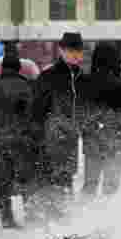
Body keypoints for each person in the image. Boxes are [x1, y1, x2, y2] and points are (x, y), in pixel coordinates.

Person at [30, 32, 89, 222]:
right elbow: (36, 110)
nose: (76, 55)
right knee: (50, 181)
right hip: (50, 140)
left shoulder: (82, 79)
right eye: (71, 50)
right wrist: (39, 136)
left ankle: (63, 222)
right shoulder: (48, 77)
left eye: (78, 51)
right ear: (61, 51)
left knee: (66, 180)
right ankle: (51, 223)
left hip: (70, 141)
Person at [0, 53, 34, 228]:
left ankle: (6, 217)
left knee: (4, 178)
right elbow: (33, 113)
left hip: (2, 139)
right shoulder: (27, 87)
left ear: (3, 67)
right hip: (23, 139)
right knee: (26, 178)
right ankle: (31, 215)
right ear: (18, 68)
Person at [81, 43, 121, 199]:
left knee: (90, 184)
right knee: (111, 186)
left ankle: (83, 211)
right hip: (115, 141)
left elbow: (82, 112)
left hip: (93, 140)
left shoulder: (87, 83)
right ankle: (107, 211)